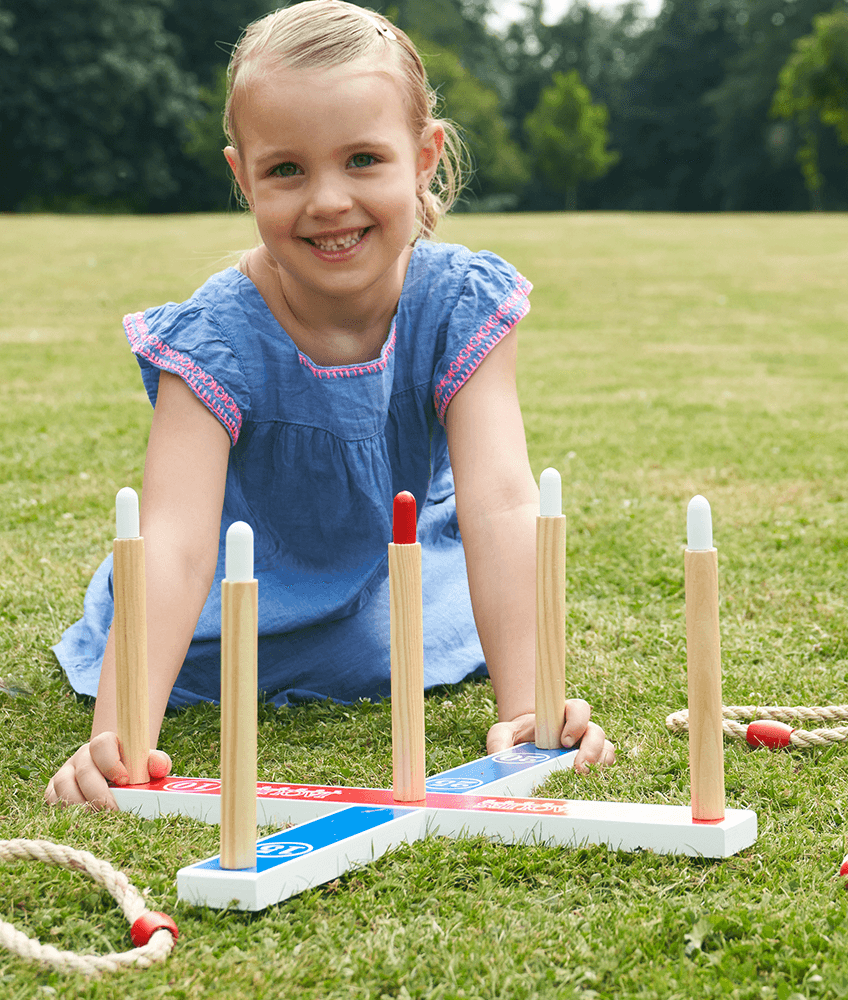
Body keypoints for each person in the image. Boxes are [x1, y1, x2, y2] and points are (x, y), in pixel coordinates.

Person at [46, 1, 615, 809]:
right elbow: (172, 542)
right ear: (242, 177)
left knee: (425, 589)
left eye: (362, 159)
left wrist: (527, 706)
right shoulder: (212, 336)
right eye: (286, 170)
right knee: (237, 628)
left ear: (423, 158)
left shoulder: (459, 303)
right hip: (230, 620)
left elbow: (497, 501)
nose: (327, 201)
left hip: (389, 590)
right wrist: (120, 735)